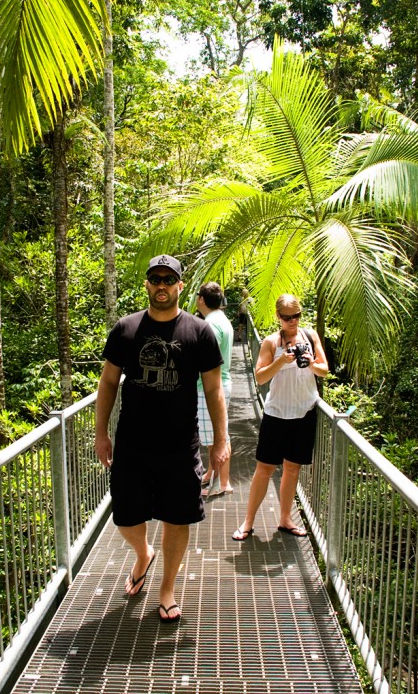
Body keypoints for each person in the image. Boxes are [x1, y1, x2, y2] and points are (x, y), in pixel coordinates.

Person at [94, 255, 229, 623]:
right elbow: (107, 382)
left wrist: (221, 439)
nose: (162, 285)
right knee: (126, 518)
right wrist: (100, 432)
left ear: (181, 286)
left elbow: (214, 389)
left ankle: (167, 588)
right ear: (147, 284)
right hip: (132, 444)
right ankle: (142, 554)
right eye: (155, 278)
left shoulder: (199, 333)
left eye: (169, 279)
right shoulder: (126, 328)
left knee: (177, 517)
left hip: (179, 445)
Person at [232, 293, 328, 541]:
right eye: (287, 318)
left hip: (304, 412)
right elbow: (260, 377)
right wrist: (281, 361)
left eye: (296, 316)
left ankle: (285, 519)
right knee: (264, 468)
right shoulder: (271, 342)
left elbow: (324, 370)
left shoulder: (310, 336)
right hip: (276, 414)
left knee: (292, 468)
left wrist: (310, 362)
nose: (292, 322)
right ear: (278, 317)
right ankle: (248, 522)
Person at [195, 282, 234, 496]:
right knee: (216, 431)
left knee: (217, 436)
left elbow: (209, 358)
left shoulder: (209, 325)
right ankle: (212, 474)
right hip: (222, 382)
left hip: (211, 386)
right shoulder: (221, 319)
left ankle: (222, 483)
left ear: (202, 299)